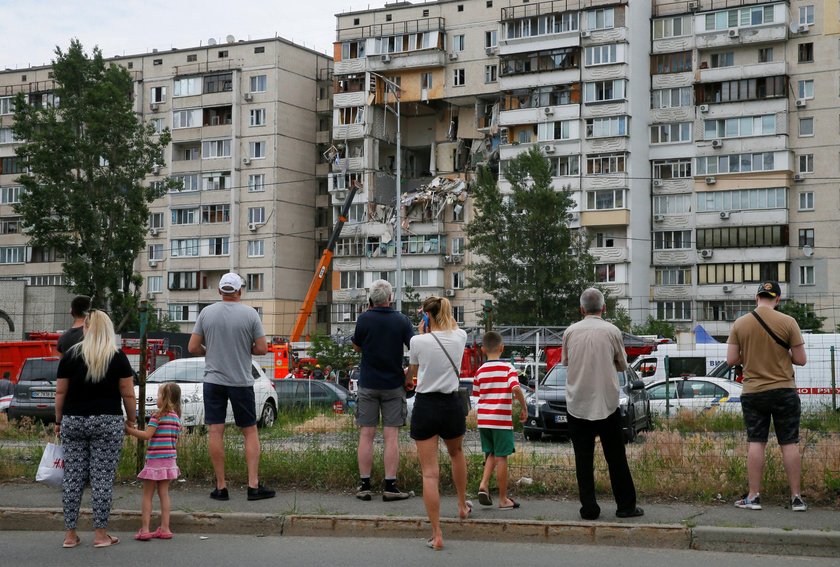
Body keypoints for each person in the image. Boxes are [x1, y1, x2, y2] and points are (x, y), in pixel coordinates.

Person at [188, 272, 274, 501]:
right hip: (240, 381)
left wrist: (211, 351)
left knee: (216, 431)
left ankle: (221, 487)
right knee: (249, 431)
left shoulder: (207, 313)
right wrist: (245, 349)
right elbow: (263, 348)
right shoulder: (250, 314)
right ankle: (253, 486)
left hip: (213, 381)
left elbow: (193, 347)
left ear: (220, 291)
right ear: (239, 291)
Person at [54, 309, 137, 548]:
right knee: (102, 478)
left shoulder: (70, 356)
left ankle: (70, 535)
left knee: (73, 478)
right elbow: (128, 393)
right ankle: (101, 535)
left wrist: (59, 421)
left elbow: (60, 393)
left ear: (86, 328)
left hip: (74, 420)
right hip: (107, 422)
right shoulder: (118, 357)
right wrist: (131, 419)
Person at [561, 288, 643, 521]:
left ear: (581, 309)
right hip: (607, 403)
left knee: (583, 459)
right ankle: (626, 506)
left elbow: (565, 362)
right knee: (616, 457)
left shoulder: (570, 332)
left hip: (577, 404)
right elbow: (622, 365)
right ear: (604, 308)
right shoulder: (612, 331)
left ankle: (589, 508)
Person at [726, 281, 807, 512]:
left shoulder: (740, 324)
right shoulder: (788, 322)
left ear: (756, 298)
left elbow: (731, 360)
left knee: (756, 442)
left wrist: (750, 355)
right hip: (784, 390)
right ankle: (796, 498)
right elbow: (801, 359)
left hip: (754, 392)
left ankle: (753, 496)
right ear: (778, 299)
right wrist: (782, 353)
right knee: (789, 443)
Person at [408, 296, 469, 551]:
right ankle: (462, 505)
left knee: (429, 473)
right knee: (456, 453)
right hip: (452, 404)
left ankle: (437, 533)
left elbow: (412, 374)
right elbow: (452, 327)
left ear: (426, 316)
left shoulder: (417, 341)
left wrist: (425, 329)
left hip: (426, 406)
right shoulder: (461, 336)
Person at [351, 279, 414, 502]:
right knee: (391, 436)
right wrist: (408, 376)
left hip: (368, 383)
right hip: (394, 385)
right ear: (390, 298)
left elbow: (357, 345)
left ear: (371, 299)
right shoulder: (402, 320)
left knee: (366, 435)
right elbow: (413, 347)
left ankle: (365, 485)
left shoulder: (364, 319)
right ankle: (390, 485)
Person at [474, 331, 527, 510]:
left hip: (483, 420)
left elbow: (477, 395)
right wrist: (524, 407)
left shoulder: (479, 371)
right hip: (501, 420)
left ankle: (483, 484)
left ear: (482, 350)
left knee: (491, 453)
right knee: (502, 456)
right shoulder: (508, 369)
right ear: (502, 348)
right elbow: (516, 388)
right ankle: (503, 499)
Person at [125, 383, 182, 541]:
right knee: (164, 495)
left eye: (158, 395)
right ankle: (165, 528)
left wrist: (130, 431)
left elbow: (147, 435)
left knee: (147, 495)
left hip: (155, 461)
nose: (156, 398)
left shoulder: (157, 417)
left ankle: (145, 529)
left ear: (165, 399)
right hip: (169, 461)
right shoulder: (176, 419)